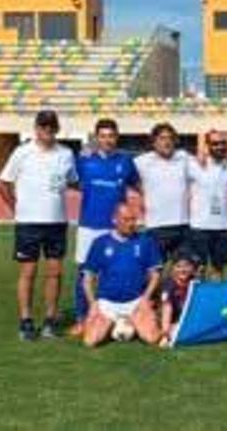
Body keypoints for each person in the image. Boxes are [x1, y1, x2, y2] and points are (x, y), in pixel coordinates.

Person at [0, 110, 77, 340]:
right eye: (43, 127)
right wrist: (16, 209)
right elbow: (4, 183)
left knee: (55, 272)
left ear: (57, 129)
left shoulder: (66, 154)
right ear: (36, 129)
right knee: (28, 272)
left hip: (57, 222)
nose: (47, 131)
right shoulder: (22, 152)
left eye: (51, 127)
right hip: (28, 223)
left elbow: (73, 181)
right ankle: (26, 321)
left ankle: (50, 321)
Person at [71, 118, 138, 336]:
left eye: (111, 136)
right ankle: (82, 318)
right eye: (103, 136)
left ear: (116, 137)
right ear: (96, 138)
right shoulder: (83, 161)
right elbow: (69, 182)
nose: (107, 140)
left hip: (115, 228)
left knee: (116, 271)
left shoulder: (126, 162)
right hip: (89, 225)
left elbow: (137, 185)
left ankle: (116, 314)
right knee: (84, 273)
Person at [81, 204, 162, 347]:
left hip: (135, 301)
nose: (131, 224)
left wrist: (145, 299)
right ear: (114, 219)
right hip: (107, 303)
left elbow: (155, 275)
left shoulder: (146, 241)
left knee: (152, 338)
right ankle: (115, 324)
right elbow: (87, 279)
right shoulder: (100, 242)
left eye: (133, 220)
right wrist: (93, 304)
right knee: (90, 341)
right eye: (126, 220)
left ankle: (130, 321)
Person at [134, 123, 191, 260]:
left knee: (185, 271)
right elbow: (127, 181)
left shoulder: (184, 158)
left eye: (170, 138)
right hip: (155, 226)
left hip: (182, 225)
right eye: (162, 138)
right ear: (154, 142)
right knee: (154, 271)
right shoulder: (141, 162)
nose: (167, 142)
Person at [187, 130, 227, 280]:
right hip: (200, 227)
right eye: (215, 144)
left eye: (222, 143)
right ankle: (198, 302)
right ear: (207, 146)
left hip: (222, 227)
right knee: (198, 270)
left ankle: (216, 301)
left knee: (218, 270)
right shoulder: (194, 164)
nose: (219, 147)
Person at [158, 256, 197, 347]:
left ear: (192, 268)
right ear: (173, 269)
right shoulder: (168, 284)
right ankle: (165, 334)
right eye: (178, 266)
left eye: (186, 266)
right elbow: (165, 307)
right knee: (167, 304)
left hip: (185, 321)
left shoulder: (195, 283)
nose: (182, 270)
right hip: (167, 320)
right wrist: (166, 331)